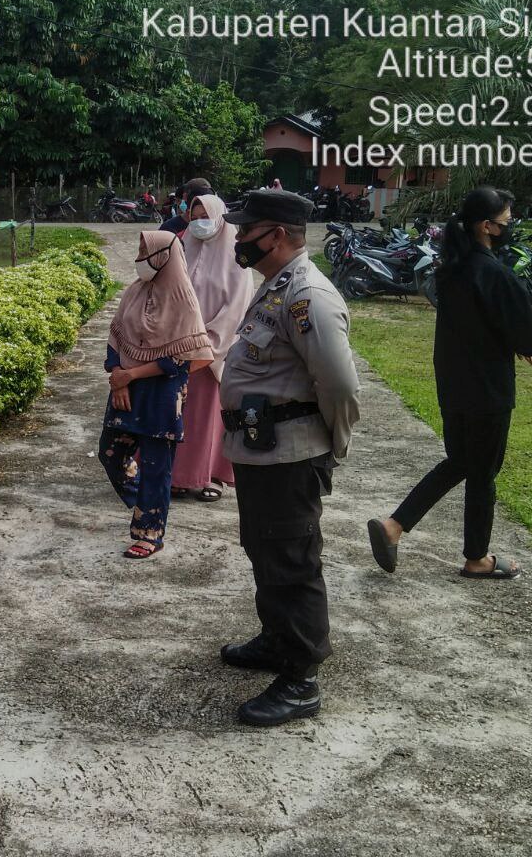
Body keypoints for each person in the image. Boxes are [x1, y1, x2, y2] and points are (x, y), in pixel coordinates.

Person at [218, 189, 361, 726]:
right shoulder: (275, 288)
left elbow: (341, 384)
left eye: (247, 229)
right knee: (265, 549)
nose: (238, 237)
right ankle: (278, 640)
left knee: (292, 562)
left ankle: (301, 678)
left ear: (276, 235)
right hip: (261, 452)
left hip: (291, 455)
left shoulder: (308, 296)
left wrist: (333, 445)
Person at [367, 188, 532, 580]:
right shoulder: (495, 274)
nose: (509, 228)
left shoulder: (451, 271)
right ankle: (477, 558)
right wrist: (527, 343)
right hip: (488, 391)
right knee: (483, 474)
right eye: (506, 223)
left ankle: (394, 526)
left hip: (453, 387)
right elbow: (528, 336)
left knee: (461, 462)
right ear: (487, 227)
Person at [99, 231, 214, 558]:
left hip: (162, 395)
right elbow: (115, 335)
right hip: (124, 389)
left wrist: (130, 374)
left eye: (144, 251)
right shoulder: (134, 291)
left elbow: (181, 358)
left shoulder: (184, 301)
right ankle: (147, 505)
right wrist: (117, 378)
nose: (138, 258)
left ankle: (149, 531)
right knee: (111, 454)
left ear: (165, 256)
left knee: (155, 465)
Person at [171, 193, 254, 502]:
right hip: (179, 344)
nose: (199, 222)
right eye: (194, 216)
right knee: (181, 414)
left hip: (214, 350)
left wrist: (208, 346)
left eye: (205, 215)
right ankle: (180, 475)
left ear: (220, 218)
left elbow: (236, 307)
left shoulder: (237, 259)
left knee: (210, 416)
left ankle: (215, 476)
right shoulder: (182, 249)